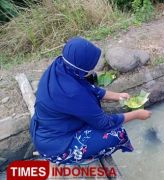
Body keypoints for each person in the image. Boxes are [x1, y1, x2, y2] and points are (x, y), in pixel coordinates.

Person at [29, 37, 151, 165]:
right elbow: (105, 123)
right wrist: (136, 115)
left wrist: (118, 96)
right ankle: (79, 157)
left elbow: (88, 88)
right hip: (56, 145)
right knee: (117, 134)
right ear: (80, 69)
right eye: (91, 66)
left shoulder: (62, 65)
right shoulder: (73, 93)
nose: (93, 69)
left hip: (51, 127)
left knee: (90, 82)